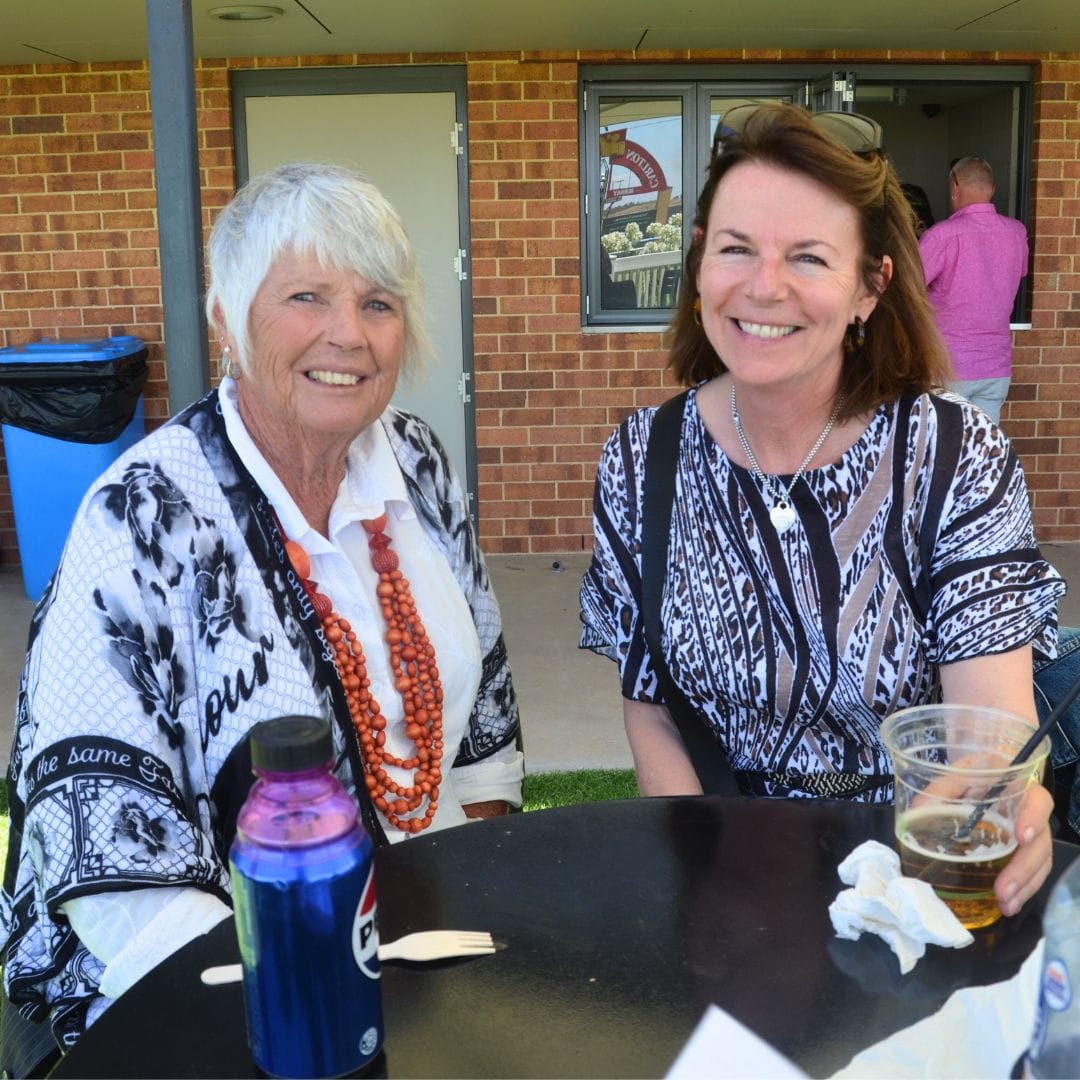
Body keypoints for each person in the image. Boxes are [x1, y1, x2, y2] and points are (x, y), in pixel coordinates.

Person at [0, 162, 523, 1066]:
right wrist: (299, 1004)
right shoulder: (140, 518)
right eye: (306, 296)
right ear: (227, 319)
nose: (348, 334)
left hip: (419, 945)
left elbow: (483, 723)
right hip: (216, 987)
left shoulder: (418, 461)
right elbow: (109, 866)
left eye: (378, 303)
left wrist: (465, 900)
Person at [579, 104, 1067, 926]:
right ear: (699, 265)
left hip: (907, 877)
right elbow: (651, 703)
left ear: (870, 288)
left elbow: (989, 729)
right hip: (723, 882)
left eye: (807, 256)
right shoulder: (640, 459)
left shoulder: (953, 457)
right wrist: (701, 875)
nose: (763, 286)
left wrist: (980, 813)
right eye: (736, 248)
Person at [919, 156, 1029, 424]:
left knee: (941, 444)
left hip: (947, 366)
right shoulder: (1017, 233)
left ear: (955, 187)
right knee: (981, 446)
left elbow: (909, 286)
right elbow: (1017, 274)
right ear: (992, 189)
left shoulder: (942, 235)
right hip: (995, 368)